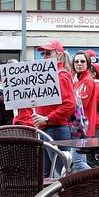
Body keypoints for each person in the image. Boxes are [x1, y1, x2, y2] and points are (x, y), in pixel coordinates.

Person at [32, 40, 76, 177]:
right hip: (47, 129)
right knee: (47, 173)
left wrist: (47, 118)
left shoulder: (61, 76)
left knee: (63, 173)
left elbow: (70, 105)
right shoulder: (48, 75)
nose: (44, 56)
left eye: (48, 53)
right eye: (43, 54)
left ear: (58, 55)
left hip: (55, 130)